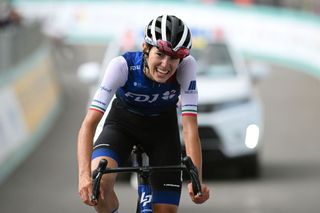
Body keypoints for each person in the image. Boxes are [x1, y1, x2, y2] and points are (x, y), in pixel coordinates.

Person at [77, 14, 210, 213]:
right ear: (146, 48)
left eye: (174, 57)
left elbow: (190, 128)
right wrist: (84, 176)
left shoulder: (187, 66)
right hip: (122, 126)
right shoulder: (122, 66)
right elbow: (89, 124)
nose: (166, 64)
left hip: (162, 132)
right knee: (100, 187)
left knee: (165, 210)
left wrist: (196, 180)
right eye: (160, 54)